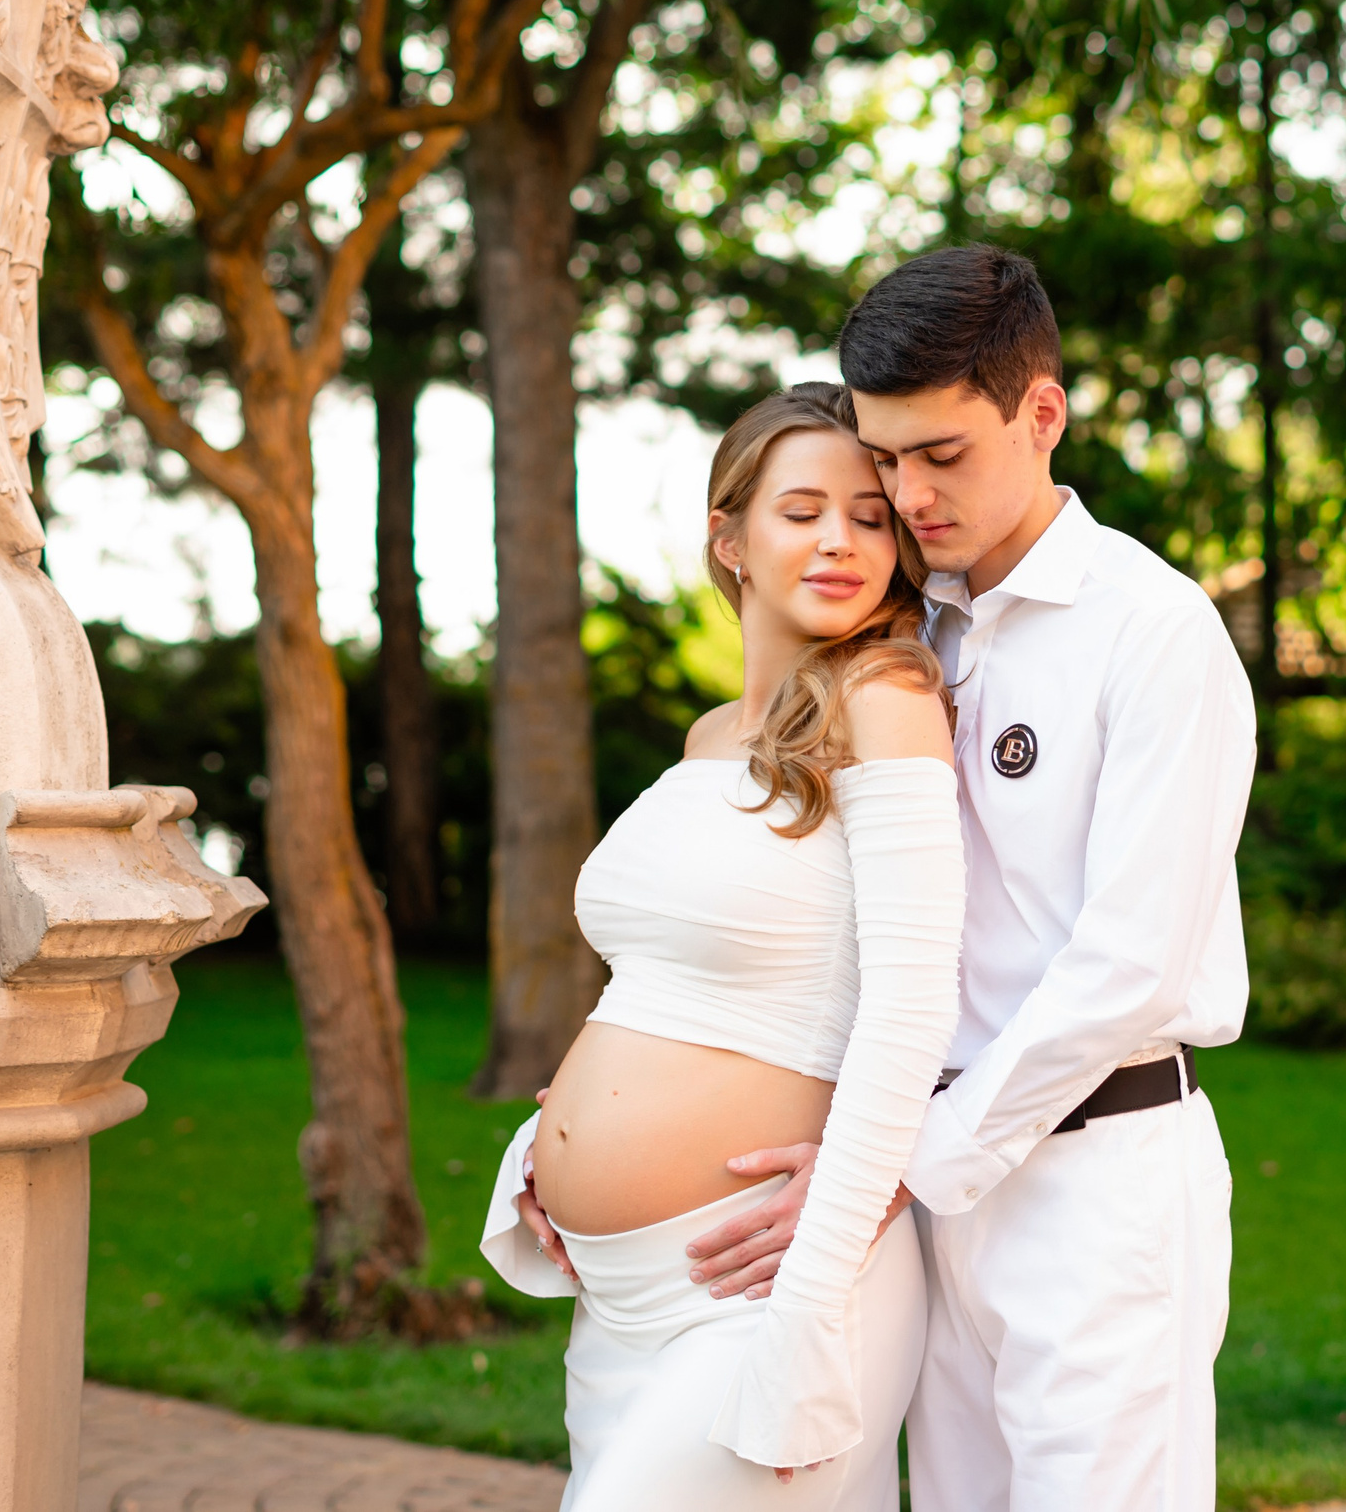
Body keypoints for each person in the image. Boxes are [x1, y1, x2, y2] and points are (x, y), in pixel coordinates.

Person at [683, 244, 1258, 1511]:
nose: (909, 495)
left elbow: (1129, 963)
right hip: (924, 1190)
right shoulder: (903, 623)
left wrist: (904, 1158)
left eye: (941, 456)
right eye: (887, 460)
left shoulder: (1153, 633)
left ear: (1041, 412)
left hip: (1097, 1186)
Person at [479, 384, 964, 1510]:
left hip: (767, 1290)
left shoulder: (886, 699)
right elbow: (662, 991)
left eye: (870, 515)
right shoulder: (711, 740)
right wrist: (547, 1149)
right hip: (621, 1302)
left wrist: (812, 1296)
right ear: (729, 537)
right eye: (803, 510)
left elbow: (908, 1005)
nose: (841, 540)